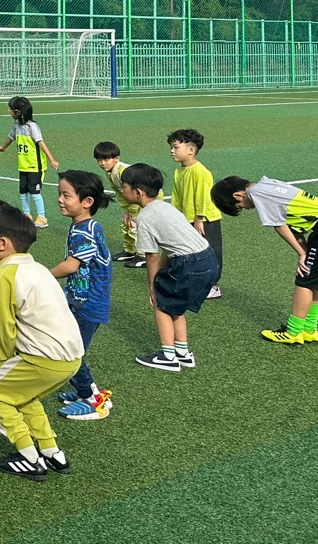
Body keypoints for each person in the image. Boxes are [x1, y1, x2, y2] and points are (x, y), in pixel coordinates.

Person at [0, 200, 84, 483]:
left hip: (44, 358)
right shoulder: (37, 268)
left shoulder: (3, 274)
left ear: (2, 244)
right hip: (71, 358)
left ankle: (29, 458)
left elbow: (4, 325)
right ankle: (52, 453)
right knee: (23, 395)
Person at [119, 163, 219, 372]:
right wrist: (162, 279)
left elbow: (151, 255)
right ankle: (183, 353)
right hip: (208, 258)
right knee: (175, 303)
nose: (122, 190)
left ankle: (167, 356)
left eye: (124, 187)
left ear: (138, 192)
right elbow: (169, 246)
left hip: (188, 263)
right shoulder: (166, 208)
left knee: (161, 303)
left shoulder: (145, 217)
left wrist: (153, 286)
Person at [210, 174, 318, 343]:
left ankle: (293, 332)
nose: (246, 209)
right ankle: (310, 329)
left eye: (239, 206)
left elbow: (280, 226)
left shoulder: (257, 194)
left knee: (305, 281)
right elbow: (293, 228)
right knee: (314, 280)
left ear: (238, 195)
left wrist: (302, 254)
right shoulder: (267, 185)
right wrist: (303, 251)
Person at [50, 171, 113, 421]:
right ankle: (88, 392)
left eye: (66, 195)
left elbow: (70, 266)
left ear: (87, 202)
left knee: (71, 352)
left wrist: (42, 276)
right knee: (71, 348)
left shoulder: (81, 232)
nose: (60, 200)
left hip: (88, 303)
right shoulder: (88, 225)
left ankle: (91, 400)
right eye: (60, 194)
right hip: (85, 300)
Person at [168, 128, 221, 299]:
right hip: (186, 219)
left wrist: (199, 219)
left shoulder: (201, 172)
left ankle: (211, 286)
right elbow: (176, 197)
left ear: (191, 150)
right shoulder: (178, 171)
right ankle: (190, 282)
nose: (172, 151)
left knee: (210, 252)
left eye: (176, 147)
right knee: (188, 252)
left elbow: (203, 197)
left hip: (205, 220)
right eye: (171, 147)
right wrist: (174, 217)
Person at [0, 96, 58, 229]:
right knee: (23, 190)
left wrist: (51, 159)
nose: (9, 112)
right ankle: (26, 215)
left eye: (11, 110)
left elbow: (41, 143)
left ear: (18, 112)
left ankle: (42, 217)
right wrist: (3, 147)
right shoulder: (16, 126)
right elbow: (10, 138)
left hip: (35, 166)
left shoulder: (32, 127)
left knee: (34, 192)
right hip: (23, 165)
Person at [94, 141, 149, 268]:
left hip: (145, 199)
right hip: (135, 200)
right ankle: (130, 251)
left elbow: (136, 193)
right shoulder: (110, 171)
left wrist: (133, 213)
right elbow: (120, 193)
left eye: (106, 159)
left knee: (136, 226)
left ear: (116, 159)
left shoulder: (123, 171)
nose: (102, 163)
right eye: (99, 160)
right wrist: (126, 211)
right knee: (126, 223)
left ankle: (143, 256)